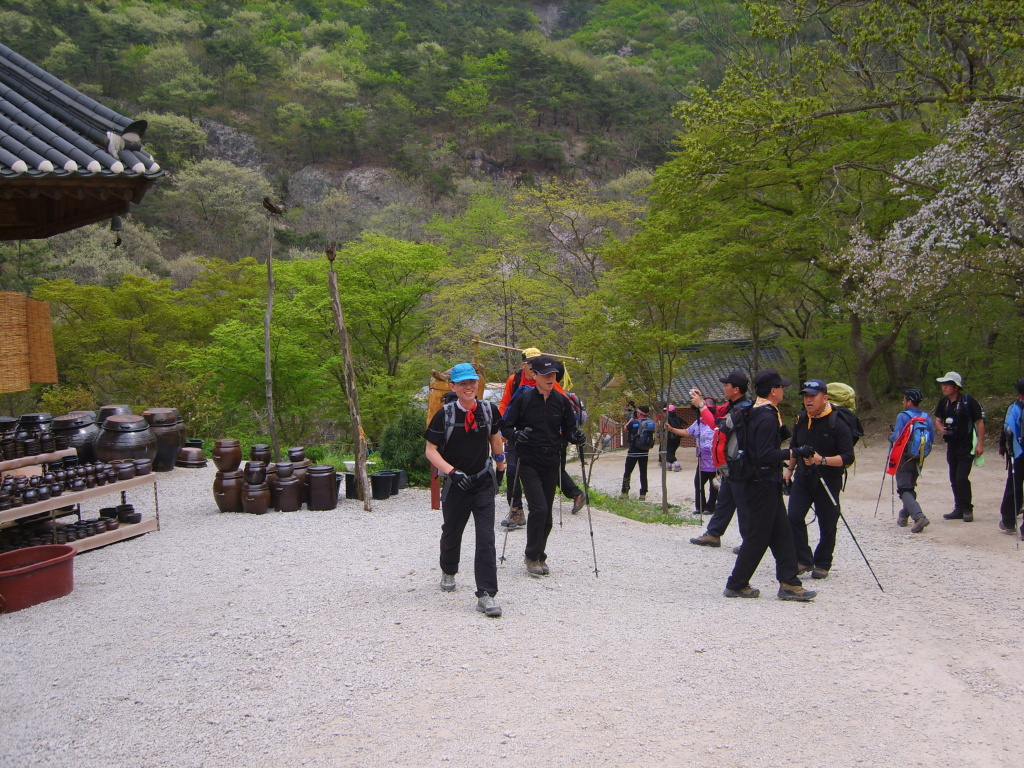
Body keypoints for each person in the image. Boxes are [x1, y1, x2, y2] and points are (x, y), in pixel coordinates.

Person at [724, 369, 816, 601]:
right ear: (773, 391)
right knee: (757, 536)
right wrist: (794, 451)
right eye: (782, 387)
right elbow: (764, 454)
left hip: (763, 482)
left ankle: (789, 583)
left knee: (782, 534)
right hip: (761, 483)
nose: (784, 390)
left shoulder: (757, 411)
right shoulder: (766, 416)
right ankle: (736, 583)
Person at [424, 363, 507, 617]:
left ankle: (487, 594)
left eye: (472, 382)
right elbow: (430, 450)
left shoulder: (488, 410)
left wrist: (501, 465)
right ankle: (449, 569)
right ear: (454, 387)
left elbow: (495, 436)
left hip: (482, 482)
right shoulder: (445, 414)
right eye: (463, 384)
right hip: (456, 484)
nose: (468, 387)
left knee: (486, 539)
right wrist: (451, 472)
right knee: (451, 532)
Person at [501, 355, 584, 576]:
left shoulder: (561, 400)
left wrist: (576, 436)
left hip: (551, 461)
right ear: (534, 375)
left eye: (553, 375)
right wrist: (517, 435)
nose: (550, 378)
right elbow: (506, 427)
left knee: (546, 513)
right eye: (545, 374)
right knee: (538, 508)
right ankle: (531, 556)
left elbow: (568, 429)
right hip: (528, 461)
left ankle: (539, 555)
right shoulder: (523, 399)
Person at [785, 379, 856, 580]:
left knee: (827, 522)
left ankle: (823, 562)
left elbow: (848, 457)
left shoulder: (837, 422)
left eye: (812, 396)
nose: (808, 400)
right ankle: (804, 559)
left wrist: (821, 460)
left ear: (825, 398)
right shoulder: (801, 419)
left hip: (828, 479)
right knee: (793, 516)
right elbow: (794, 445)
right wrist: (789, 469)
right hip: (803, 477)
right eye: (806, 396)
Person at [689, 369, 753, 550]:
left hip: (739, 462)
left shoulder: (743, 408)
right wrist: (701, 401)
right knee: (725, 500)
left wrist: (701, 406)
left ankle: (749, 542)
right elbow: (716, 411)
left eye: (726, 385)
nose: (724, 387)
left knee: (743, 505)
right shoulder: (732, 405)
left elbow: (718, 425)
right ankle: (713, 534)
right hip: (729, 464)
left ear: (736, 389)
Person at [497, 347, 541, 530]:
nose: (533, 367)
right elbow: (504, 404)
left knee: (536, 473)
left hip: (539, 436)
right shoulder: (513, 380)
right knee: (512, 471)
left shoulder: (548, 379)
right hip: (515, 433)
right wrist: (501, 429)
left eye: (536, 362)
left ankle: (539, 510)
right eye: (530, 363)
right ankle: (516, 511)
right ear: (523, 364)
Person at [933, 371, 985, 522]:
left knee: (962, 478)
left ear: (956, 387)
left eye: (947, 384)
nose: (944, 387)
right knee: (953, 478)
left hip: (966, 445)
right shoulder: (944, 402)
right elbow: (937, 420)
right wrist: (941, 429)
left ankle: (967, 508)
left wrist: (980, 444)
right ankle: (958, 508)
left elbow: (979, 422)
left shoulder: (968, 401)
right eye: (943, 384)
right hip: (952, 446)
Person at [889, 388, 934, 534]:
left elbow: (897, 437)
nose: (903, 402)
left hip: (904, 457)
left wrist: (890, 437)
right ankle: (903, 516)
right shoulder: (926, 417)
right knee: (909, 487)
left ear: (909, 402)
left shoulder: (903, 416)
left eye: (904, 399)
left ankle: (919, 517)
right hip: (919, 457)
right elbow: (931, 439)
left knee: (903, 489)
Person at [665, 411, 717, 514]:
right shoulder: (698, 422)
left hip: (715, 459)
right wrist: (671, 429)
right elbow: (687, 432)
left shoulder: (717, 422)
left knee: (714, 484)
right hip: (702, 459)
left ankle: (711, 507)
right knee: (698, 483)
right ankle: (700, 507)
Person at [997, 378, 1024, 536]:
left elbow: (1007, 428)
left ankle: (1008, 521)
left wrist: (1003, 446)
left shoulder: (1015, 407)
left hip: (1018, 452)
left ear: (1018, 392)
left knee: (1014, 485)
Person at [620, 405, 654, 500]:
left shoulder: (634, 422)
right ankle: (643, 493)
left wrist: (631, 419)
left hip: (633, 450)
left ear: (639, 413)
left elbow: (625, 428)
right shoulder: (650, 422)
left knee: (628, 471)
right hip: (645, 450)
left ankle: (625, 492)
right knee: (643, 472)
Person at [664, 404, 683, 471]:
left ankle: (677, 464)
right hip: (677, 437)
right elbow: (685, 423)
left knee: (668, 452)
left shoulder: (667, 420)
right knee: (672, 451)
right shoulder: (678, 418)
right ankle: (669, 465)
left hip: (670, 437)